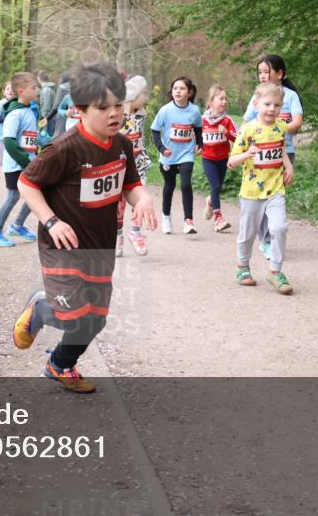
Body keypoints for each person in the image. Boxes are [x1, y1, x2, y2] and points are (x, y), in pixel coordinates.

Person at [13, 63, 156, 393]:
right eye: (102, 107)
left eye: (118, 105)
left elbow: (130, 183)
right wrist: (52, 221)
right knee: (71, 315)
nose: (114, 114)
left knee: (95, 318)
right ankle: (40, 307)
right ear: (79, 111)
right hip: (61, 245)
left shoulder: (121, 145)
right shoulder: (64, 148)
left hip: (100, 246)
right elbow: (27, 184)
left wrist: (143, 198)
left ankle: (60, 365)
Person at [228, 82, 294, 294]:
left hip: (276, 188)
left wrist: (288, 164)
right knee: (248, 233)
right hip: (251, 192)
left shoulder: (281, 127)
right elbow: (231, 162)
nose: (272, 109)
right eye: (267, 104)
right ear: (256, 104)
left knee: (279, 227)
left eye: (277, 105)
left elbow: (281, 147)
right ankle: (242, 266)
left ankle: (275, 271)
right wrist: (247, 154)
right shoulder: (247, 130)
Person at [243, 55, 303, 260]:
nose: (262, 75)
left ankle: (271, 236)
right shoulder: (257, 97)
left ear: (280, 73)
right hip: (259, 154)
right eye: (259, 72)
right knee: (261, 196)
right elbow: (246, 122)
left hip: (284, 151)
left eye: (266, 71)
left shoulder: (291, 96)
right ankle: (266, 239)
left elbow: (297, 122)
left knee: (276, 196)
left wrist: (277, 129)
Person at [0, 73, 39, 247]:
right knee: (13, 196)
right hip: (17, 164)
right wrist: (26, 161)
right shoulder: (15, 114)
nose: (37, 90)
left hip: (28, 161)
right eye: (34, 88)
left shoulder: (28, 110)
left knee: (38, 192)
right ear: (21, 91)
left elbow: (29, 137)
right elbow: (9, 140)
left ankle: (17, 225)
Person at [151, 76, 203, 234]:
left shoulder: (194, 110)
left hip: (186, 153)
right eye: (175, 88)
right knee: (169, 186)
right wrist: (161, 148)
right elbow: (155, 130)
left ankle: (188, 221)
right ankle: (166, 217)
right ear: (171, 91)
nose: (178, 91)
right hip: (169, 155)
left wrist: (200, 144)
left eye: (182, 88)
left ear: (189, 92)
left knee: (186, 184)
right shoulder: (165, 110)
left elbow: (198, 127)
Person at [116, 75, 153, 257]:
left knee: (141, 198)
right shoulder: (117, 115)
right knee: (119, 202)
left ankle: (136, 232)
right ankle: (117, 235)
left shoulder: (140, 113)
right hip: (120, 163)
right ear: (133, 94)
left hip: (138, 162)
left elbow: (140, 139)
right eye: (143, 93)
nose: (146, 97)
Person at [201, 84, 238, 233]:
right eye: (221, 98)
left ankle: (210, 201)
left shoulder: (227, 120)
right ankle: (219, 219)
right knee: (215, 187)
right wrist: (196, 146)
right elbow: (195, 137)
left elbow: (239, 138)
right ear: (211, 102)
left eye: (225, 99)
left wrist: (227, 132)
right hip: (208, 159)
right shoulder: (202, 120)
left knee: (217, 188)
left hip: (222, 159)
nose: (224, 101)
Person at [37, 70, 58, 136]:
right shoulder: (49, 88)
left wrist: (44, 118)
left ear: (38, 78)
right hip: (51, 117)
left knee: (47, 139)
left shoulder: (46, 90)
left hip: (49, 118)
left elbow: (46, 106)